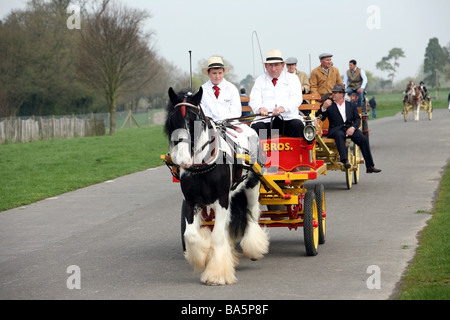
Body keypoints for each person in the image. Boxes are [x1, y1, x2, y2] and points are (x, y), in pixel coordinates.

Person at [316, 84, 381, 174]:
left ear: (342, 94)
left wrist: (353, 128)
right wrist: (323, 108)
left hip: (349, 128)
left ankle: (370, 166)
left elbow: (357, 119)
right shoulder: (329, 105)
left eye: (335, 93)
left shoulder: (351, 105)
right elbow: (320, 117)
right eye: (333, 93)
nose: (333, 94)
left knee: (363, 139)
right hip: (336, 129)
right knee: (339, 135)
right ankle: (345, 160)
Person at [250, 49, 304, 138]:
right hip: (266, 120)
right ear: (266, 66)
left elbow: (297, 99)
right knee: (257, 128)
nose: (273, 69)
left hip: (288, 118)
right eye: (270, 65)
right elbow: (254, 99)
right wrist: (260, 108)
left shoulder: (292, 79)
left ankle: (294, 152)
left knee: (297, 126)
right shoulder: (260, 80)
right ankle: (264, 152)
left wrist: (283, 108)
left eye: (276, 65)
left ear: (283, 65)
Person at [200, 56, 242, 120]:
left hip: (229, 123)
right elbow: (201, 111)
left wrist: (224, 121)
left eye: (220, 73)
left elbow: (236, 111)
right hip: (208, 124)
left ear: (224, 73)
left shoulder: (232, 88)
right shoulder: (202, 90)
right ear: (208, 74)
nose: (217, 76)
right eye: (214, 73)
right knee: (196, 126)